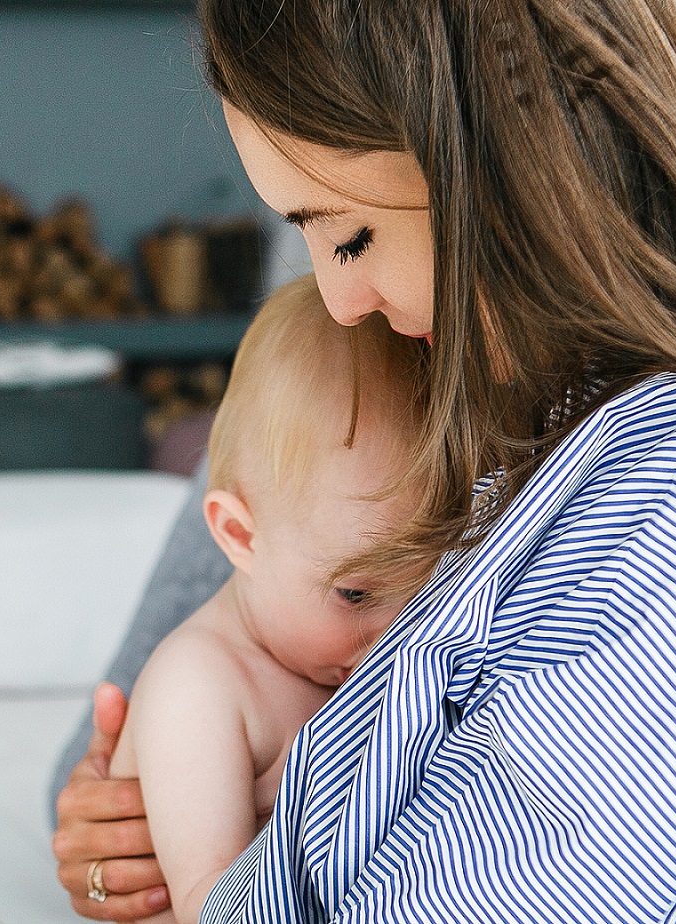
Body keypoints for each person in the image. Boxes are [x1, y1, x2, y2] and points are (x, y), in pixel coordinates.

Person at [53, 0, 676, 920]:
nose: (341, 308)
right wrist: (139, 841)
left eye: (351, 236)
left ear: (510, 167)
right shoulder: (515, 427)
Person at [103, 276, 428, 924]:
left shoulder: (332, 649)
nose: (394, 634)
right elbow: (208, 905)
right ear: (238, 535)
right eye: (357, 592)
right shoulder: (199, 685)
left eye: (424, 591)